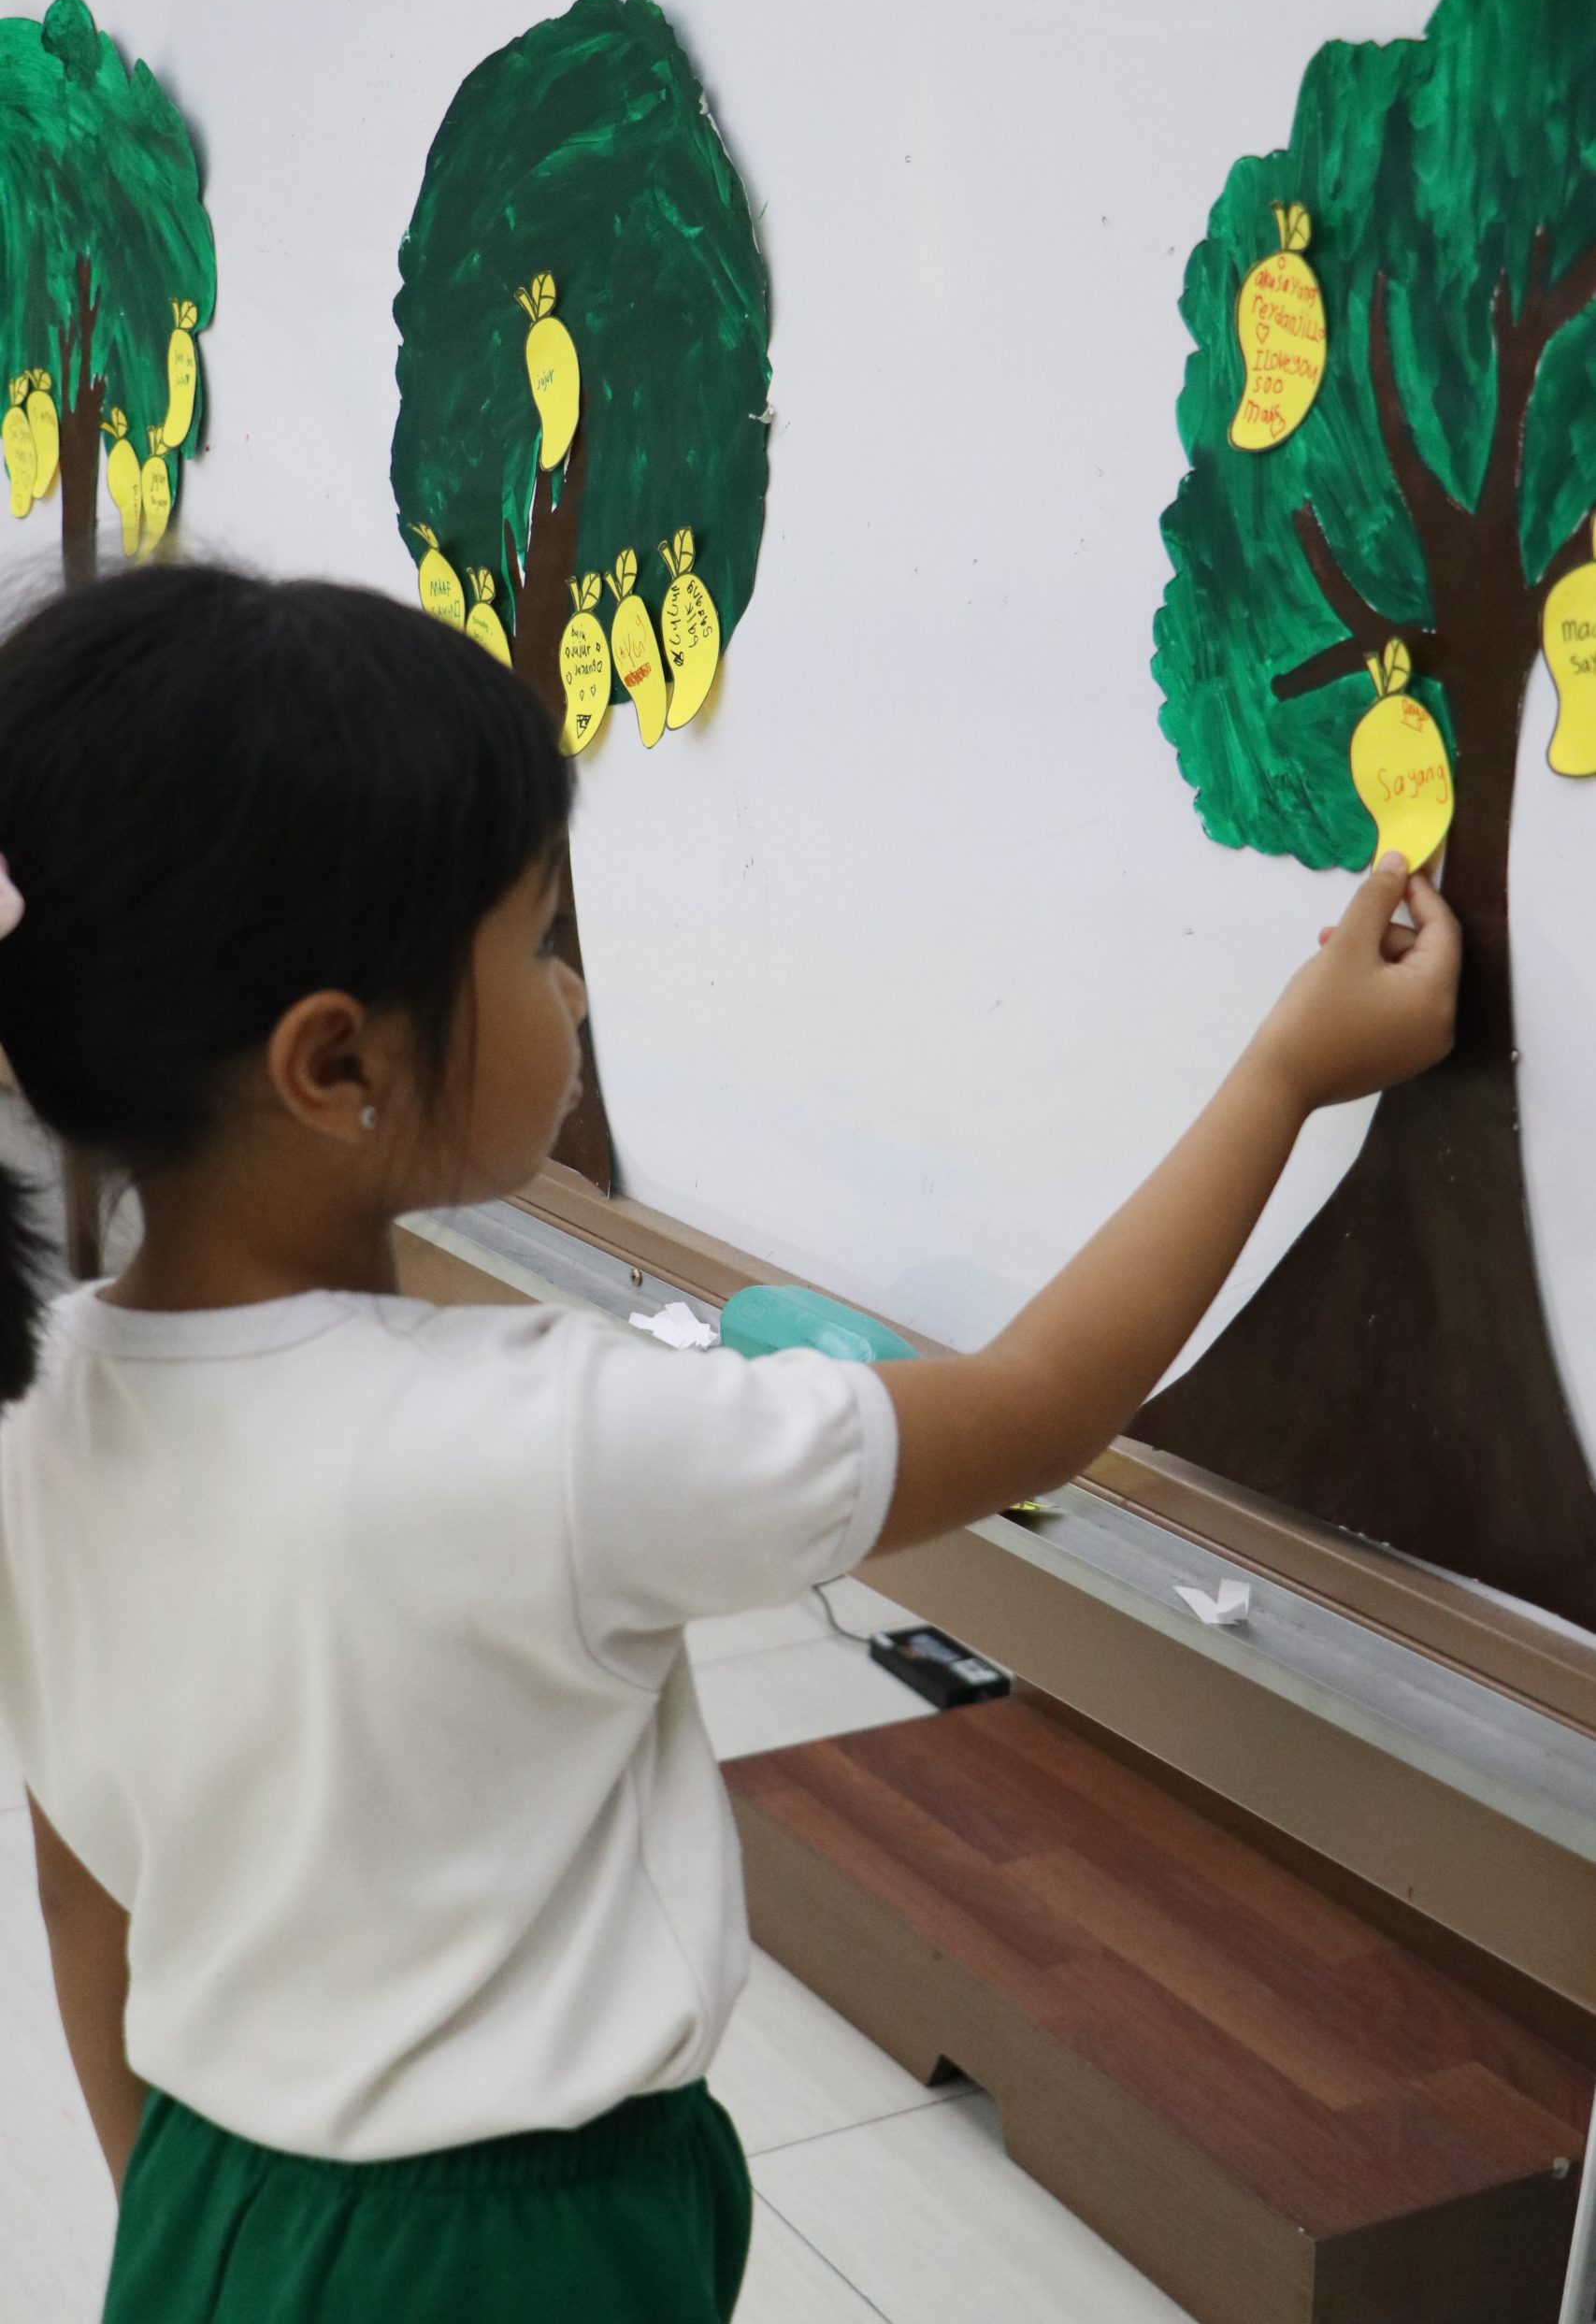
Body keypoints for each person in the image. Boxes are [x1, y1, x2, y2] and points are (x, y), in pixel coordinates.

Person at [0, 565, 1459, 2323]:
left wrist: (199, 2233)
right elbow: (1035, 1411)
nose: (574, 992)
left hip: (211, 2200)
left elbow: (78, 1891)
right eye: (537, 941)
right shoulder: (549, 1437)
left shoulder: (46, 1412)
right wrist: (1287, 1073)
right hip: (517, 2259)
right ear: (335, 1066)